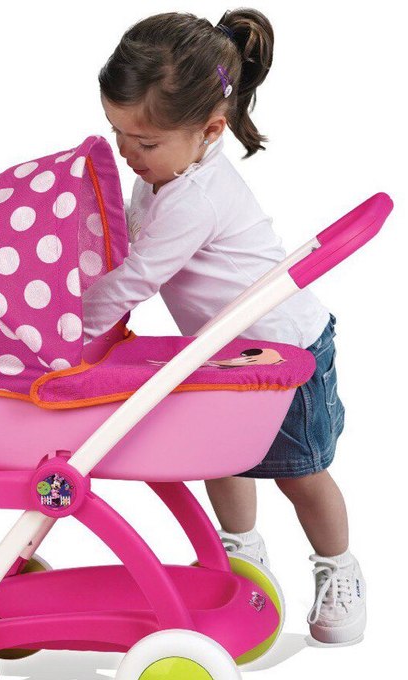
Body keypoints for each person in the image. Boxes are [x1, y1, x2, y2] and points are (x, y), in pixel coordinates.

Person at [82, 9, 365, 644]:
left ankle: (338, 566)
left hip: (284, 350)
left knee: (300, 473)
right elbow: (129, 243)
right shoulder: (164, 173)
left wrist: (71, 327)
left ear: (210, 129)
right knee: (220, 456)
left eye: (144, 142)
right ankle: (240, 551)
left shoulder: (197, 196)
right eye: (117, 132)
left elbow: (139, 277)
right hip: (219, 348)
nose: (127, 154)